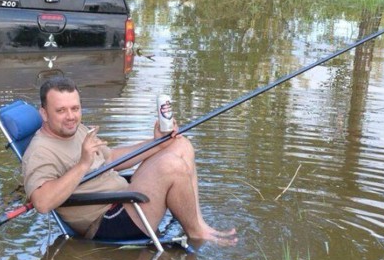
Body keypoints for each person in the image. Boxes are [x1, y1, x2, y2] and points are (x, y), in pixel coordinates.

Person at [22, 77, 237, 243]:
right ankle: (197, 235)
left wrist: (157, 143)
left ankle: (198, 223)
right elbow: (42, 203)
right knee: (172, 166)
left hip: (124, 197)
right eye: (61, 110)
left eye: (75, 108)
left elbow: (111, 158)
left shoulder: (76, 130)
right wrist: (83, 164)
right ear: (44, 113)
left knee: (180, 144)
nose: (71, 116)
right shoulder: (40, 151)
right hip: (107, 221)